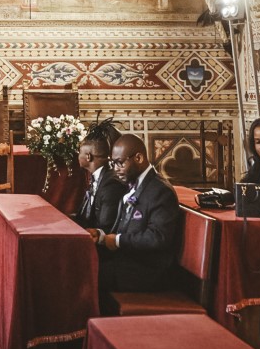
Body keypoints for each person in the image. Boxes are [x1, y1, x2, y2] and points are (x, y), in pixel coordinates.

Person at [88, 134, 181, 313]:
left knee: (86, 274)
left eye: (120, 162)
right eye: (112, 164)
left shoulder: (160, 191)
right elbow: (122, 228)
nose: (116, 169)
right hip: (127, 262)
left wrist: (117, 241)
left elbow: (158, 238)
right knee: (81, 263)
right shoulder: (132, 184)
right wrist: (101, 236)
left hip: (148, 271)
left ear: (138, 158)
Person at [72, 124, 127, 231]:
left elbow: (105, 227)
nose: (77, 155)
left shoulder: (111, 184)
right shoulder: (97, 177)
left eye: (79, 152)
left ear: (88, 156)